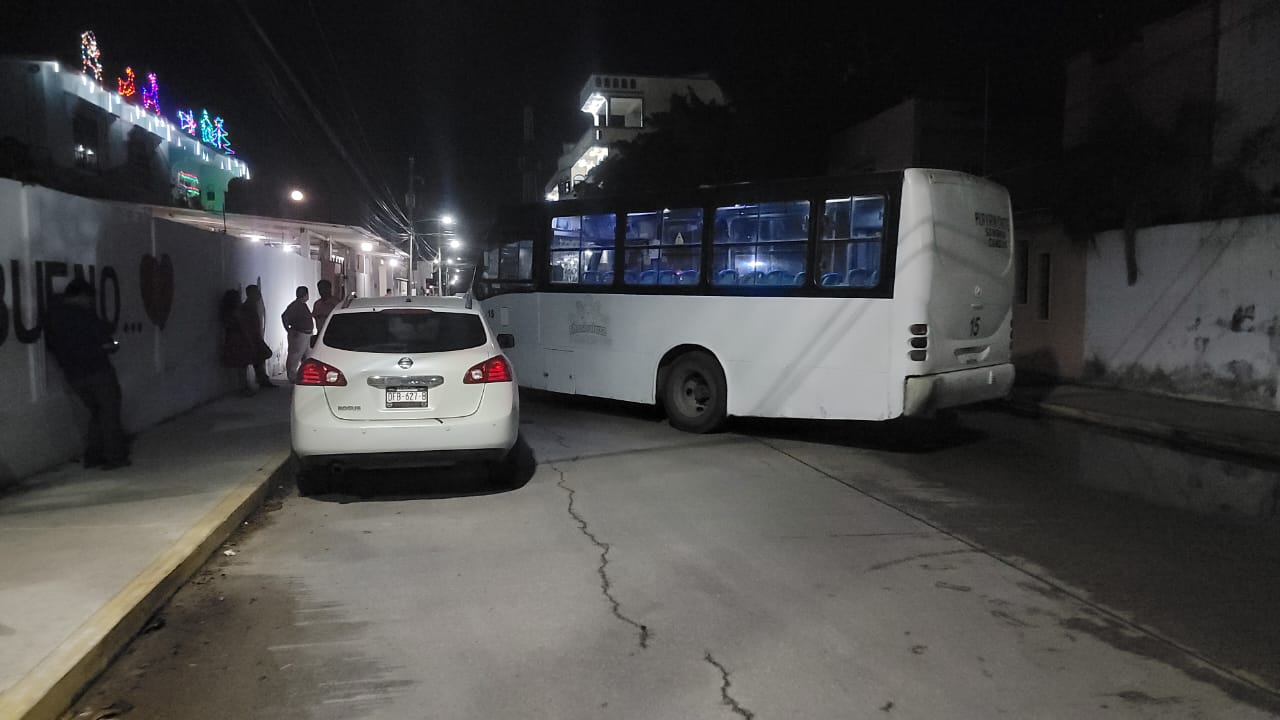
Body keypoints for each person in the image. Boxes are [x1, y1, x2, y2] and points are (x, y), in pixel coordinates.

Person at [45, 278, 130, 469]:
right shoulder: (85, 315)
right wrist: (113, 345)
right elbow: (107, 343)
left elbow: (51, 346)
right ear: (82, 296)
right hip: (98, 370)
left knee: (96, 413)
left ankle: (93, 456)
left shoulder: (51, 316)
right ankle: (115, 457)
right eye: (90, 298)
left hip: (73, 374)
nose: (91, 302)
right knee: (109, 413)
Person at [219, 289, 258, 396]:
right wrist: (250, 341)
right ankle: (243, 387)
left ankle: (242, 387)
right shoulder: (237, 313)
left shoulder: (227, 312)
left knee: (240, 365)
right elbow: (243, 328)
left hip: (232, 339)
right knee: (242, 365)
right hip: (240, 340)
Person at [242, 284, 274, 388]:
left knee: (259, 359)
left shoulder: (252, 306)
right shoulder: (248, 307)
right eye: (257, 292)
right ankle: (260, 380)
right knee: (257, 359)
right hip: (252, 337)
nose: (259, 294)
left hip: (255, 336)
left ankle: (262, 379)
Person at [281, 285, 314, 381]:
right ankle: (292, 375)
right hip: (299, 333)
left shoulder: (301, 305)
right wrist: (289, 330)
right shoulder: (295, 305)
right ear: (306, 295)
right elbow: (284, 317)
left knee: (307, 356)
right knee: (295, 355)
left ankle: (303, 374)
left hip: (306, 334)